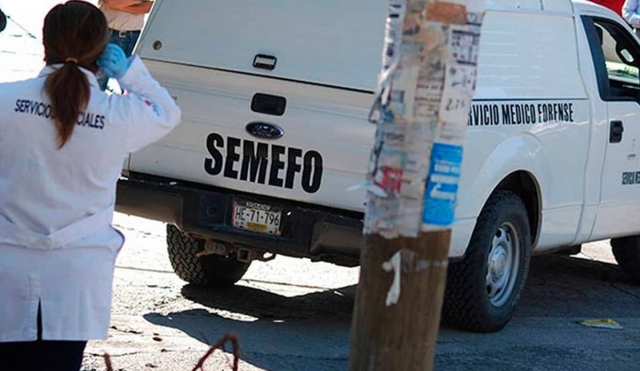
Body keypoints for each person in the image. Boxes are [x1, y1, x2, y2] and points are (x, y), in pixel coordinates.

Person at [0, 1, 181, 370]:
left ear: (44, 43)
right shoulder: (116, 115)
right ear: (102, 51)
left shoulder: (6, 101)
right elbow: (167, 113)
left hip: (8, 265)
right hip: (75, 276)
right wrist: (131, 74)